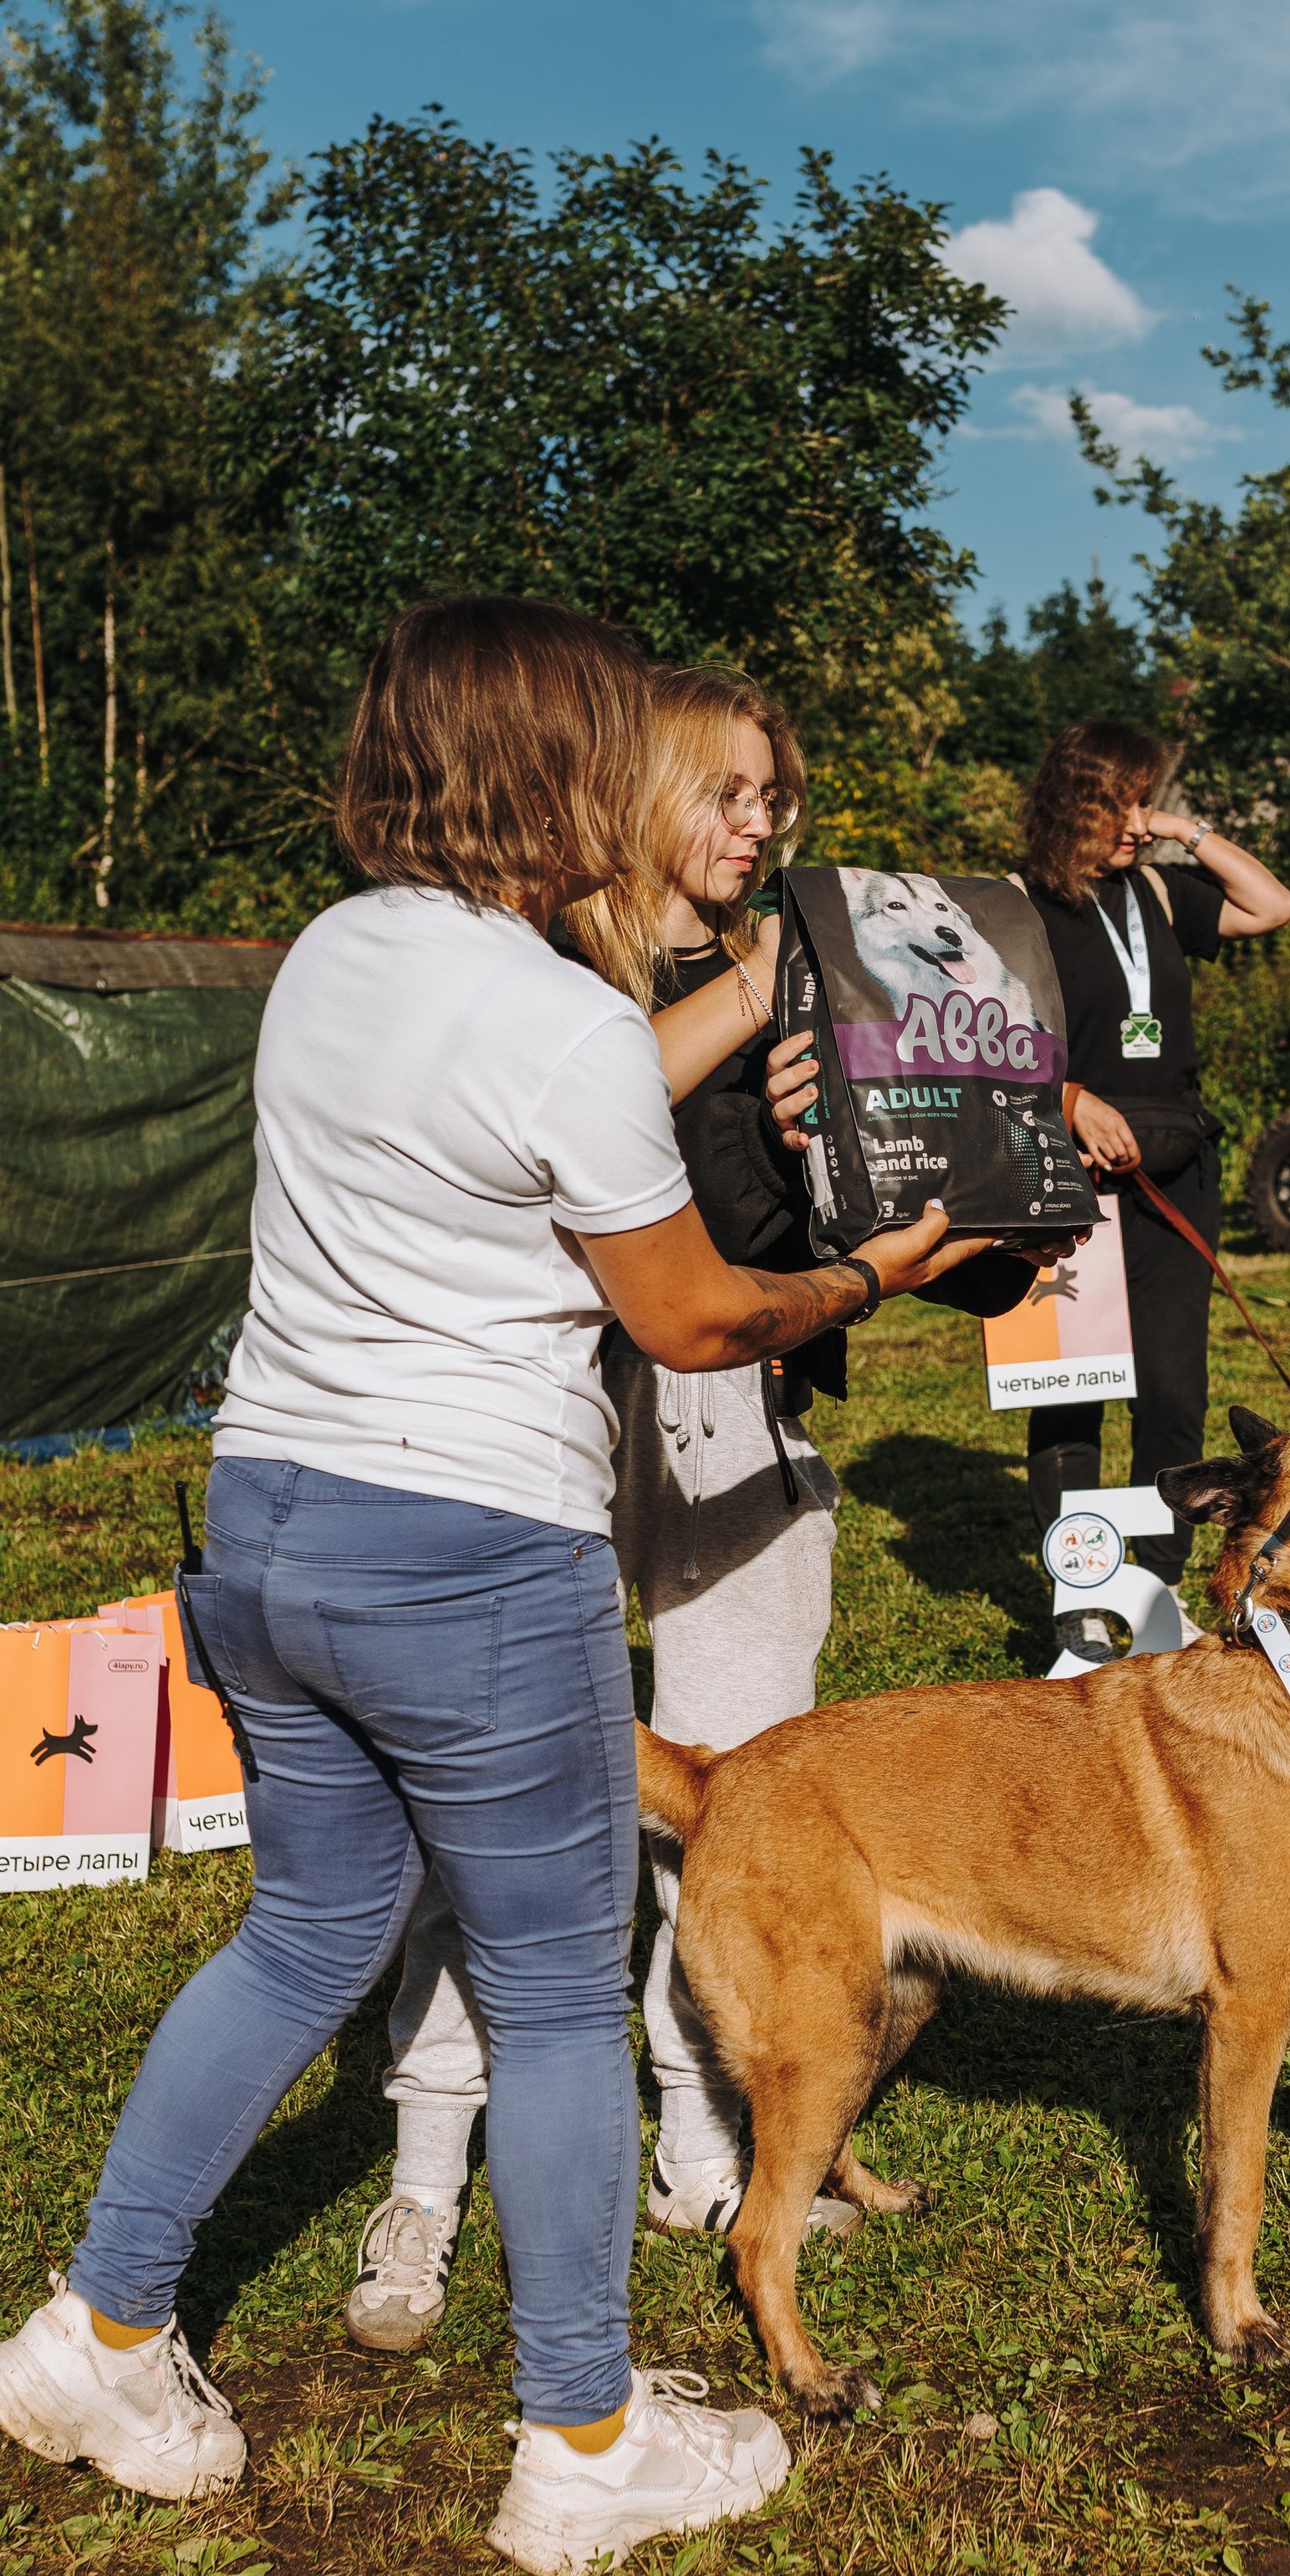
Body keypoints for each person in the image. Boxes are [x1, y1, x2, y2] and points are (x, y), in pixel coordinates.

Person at [0, 599, 997, 2570]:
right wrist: (877, 1271)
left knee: (305, 1934)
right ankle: (584, 2440)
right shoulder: (554, 1024)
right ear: (550, 768)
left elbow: (552, 1089)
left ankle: (97, 2334)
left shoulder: (331, 961)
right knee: (553, 1992)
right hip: (467, 1545)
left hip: (275, 1518)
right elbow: (698, 1319)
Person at [347, 667, 1034, 2353]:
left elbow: (787, 1240)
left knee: (740, 1807)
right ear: (625, 783)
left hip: (740, 1413)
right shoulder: (530, 966)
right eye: (726, 792)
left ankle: (705, 2144)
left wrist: (887, 1164)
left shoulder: (805, 970)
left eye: (770, 800)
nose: (757, 825)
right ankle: (427, 2170)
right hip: (540, 1427)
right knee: (486, 1808)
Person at [1017, 719, 1290, 1639]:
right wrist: (1068, 1098)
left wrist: (1187, 832)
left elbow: (1274, 905)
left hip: (1174, 1176)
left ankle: (1160, 1578)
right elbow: (984, 1049)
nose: (1137, 820)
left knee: (1172, 1387)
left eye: (1145, 800)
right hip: (1065, 1178)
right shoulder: (1018, 905)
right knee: (1072, 1392)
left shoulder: (1159, 892)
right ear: (1076, 803)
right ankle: (1080, 1587)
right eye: (1123, 803)